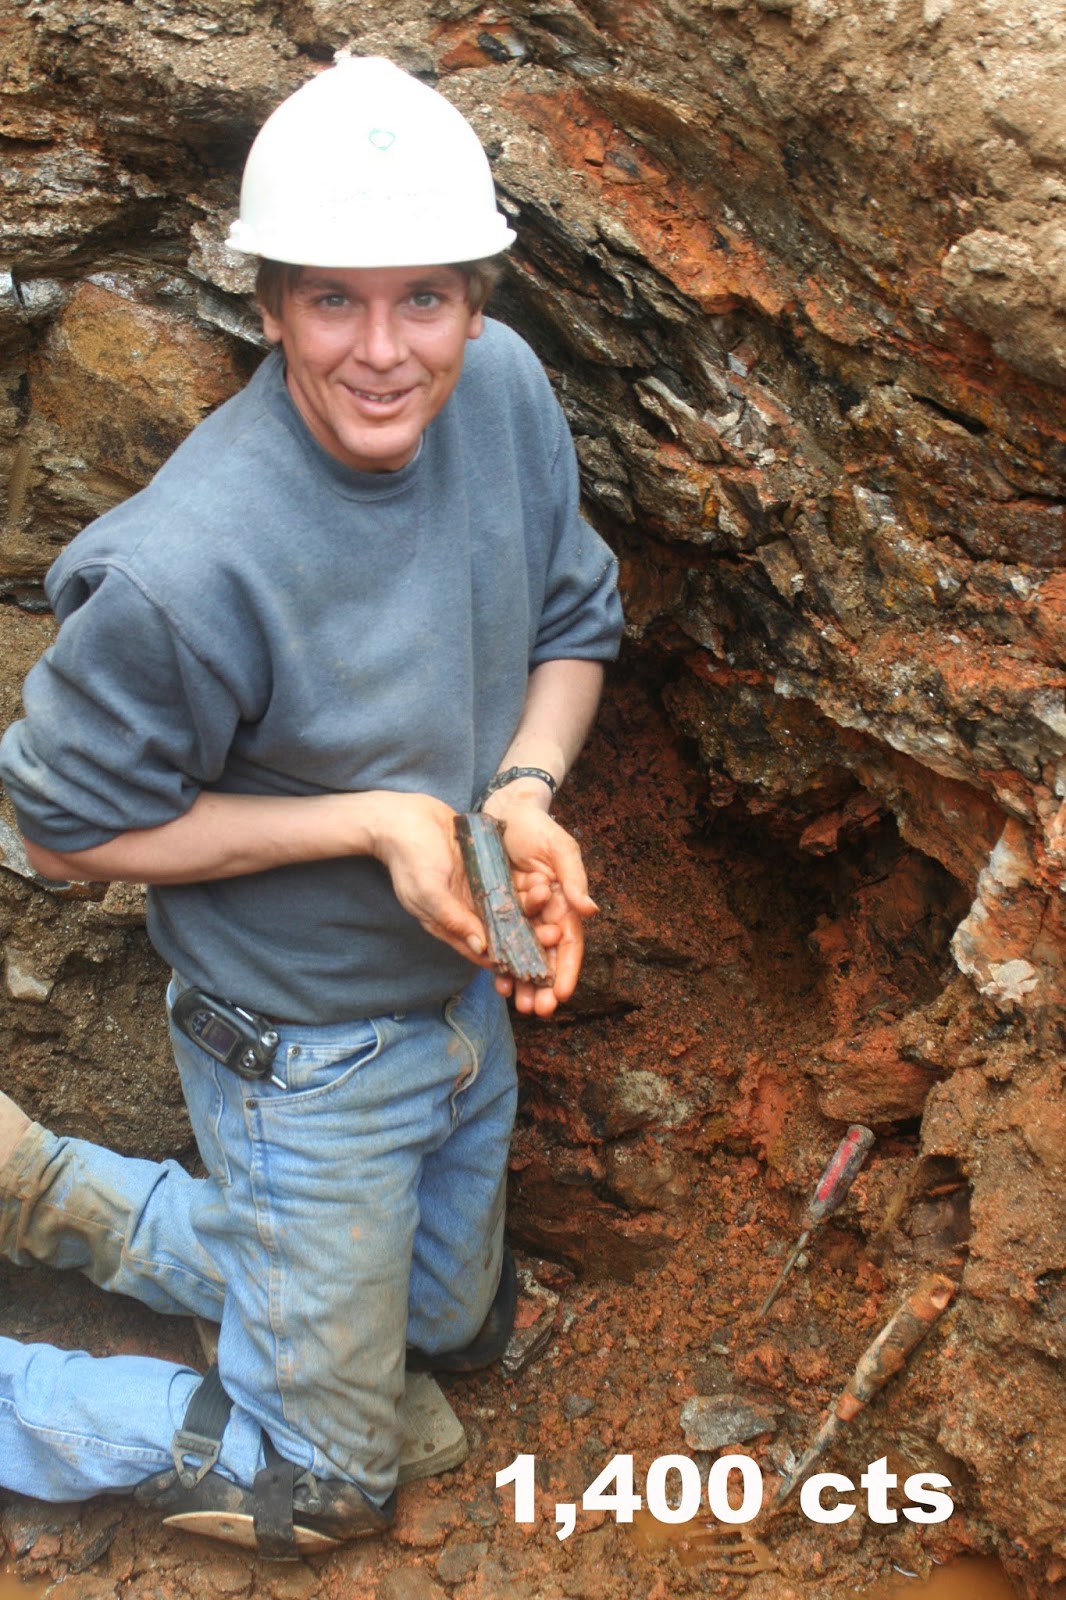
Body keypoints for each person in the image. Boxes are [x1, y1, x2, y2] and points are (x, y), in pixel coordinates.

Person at [0, 56, 622, 1557]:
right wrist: (372, 822)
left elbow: (571, 621)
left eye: (424, 298)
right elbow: (59, 831)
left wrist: (520, 796)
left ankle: (43, 1188)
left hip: (460, 1005)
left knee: (454, 1327)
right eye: (333, 300)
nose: (384, 350)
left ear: (477, 300)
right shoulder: (185, 570)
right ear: (268, 304)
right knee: (325, 1488)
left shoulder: (511, 394)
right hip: (301, 1051)